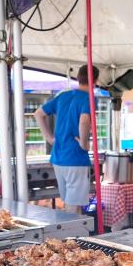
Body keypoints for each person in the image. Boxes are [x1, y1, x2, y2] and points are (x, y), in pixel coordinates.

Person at [34, 65, 97, 213]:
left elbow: (38, 114)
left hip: (58, 158)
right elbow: (84, 120)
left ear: (78, 78)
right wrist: (83, 142)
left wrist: (49, 138)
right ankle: (71, 235)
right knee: (72, 207)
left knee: (70, 202)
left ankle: (73, 234)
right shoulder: (88, 98)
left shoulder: (63, 96)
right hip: (75, 157)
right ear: (95, 80)